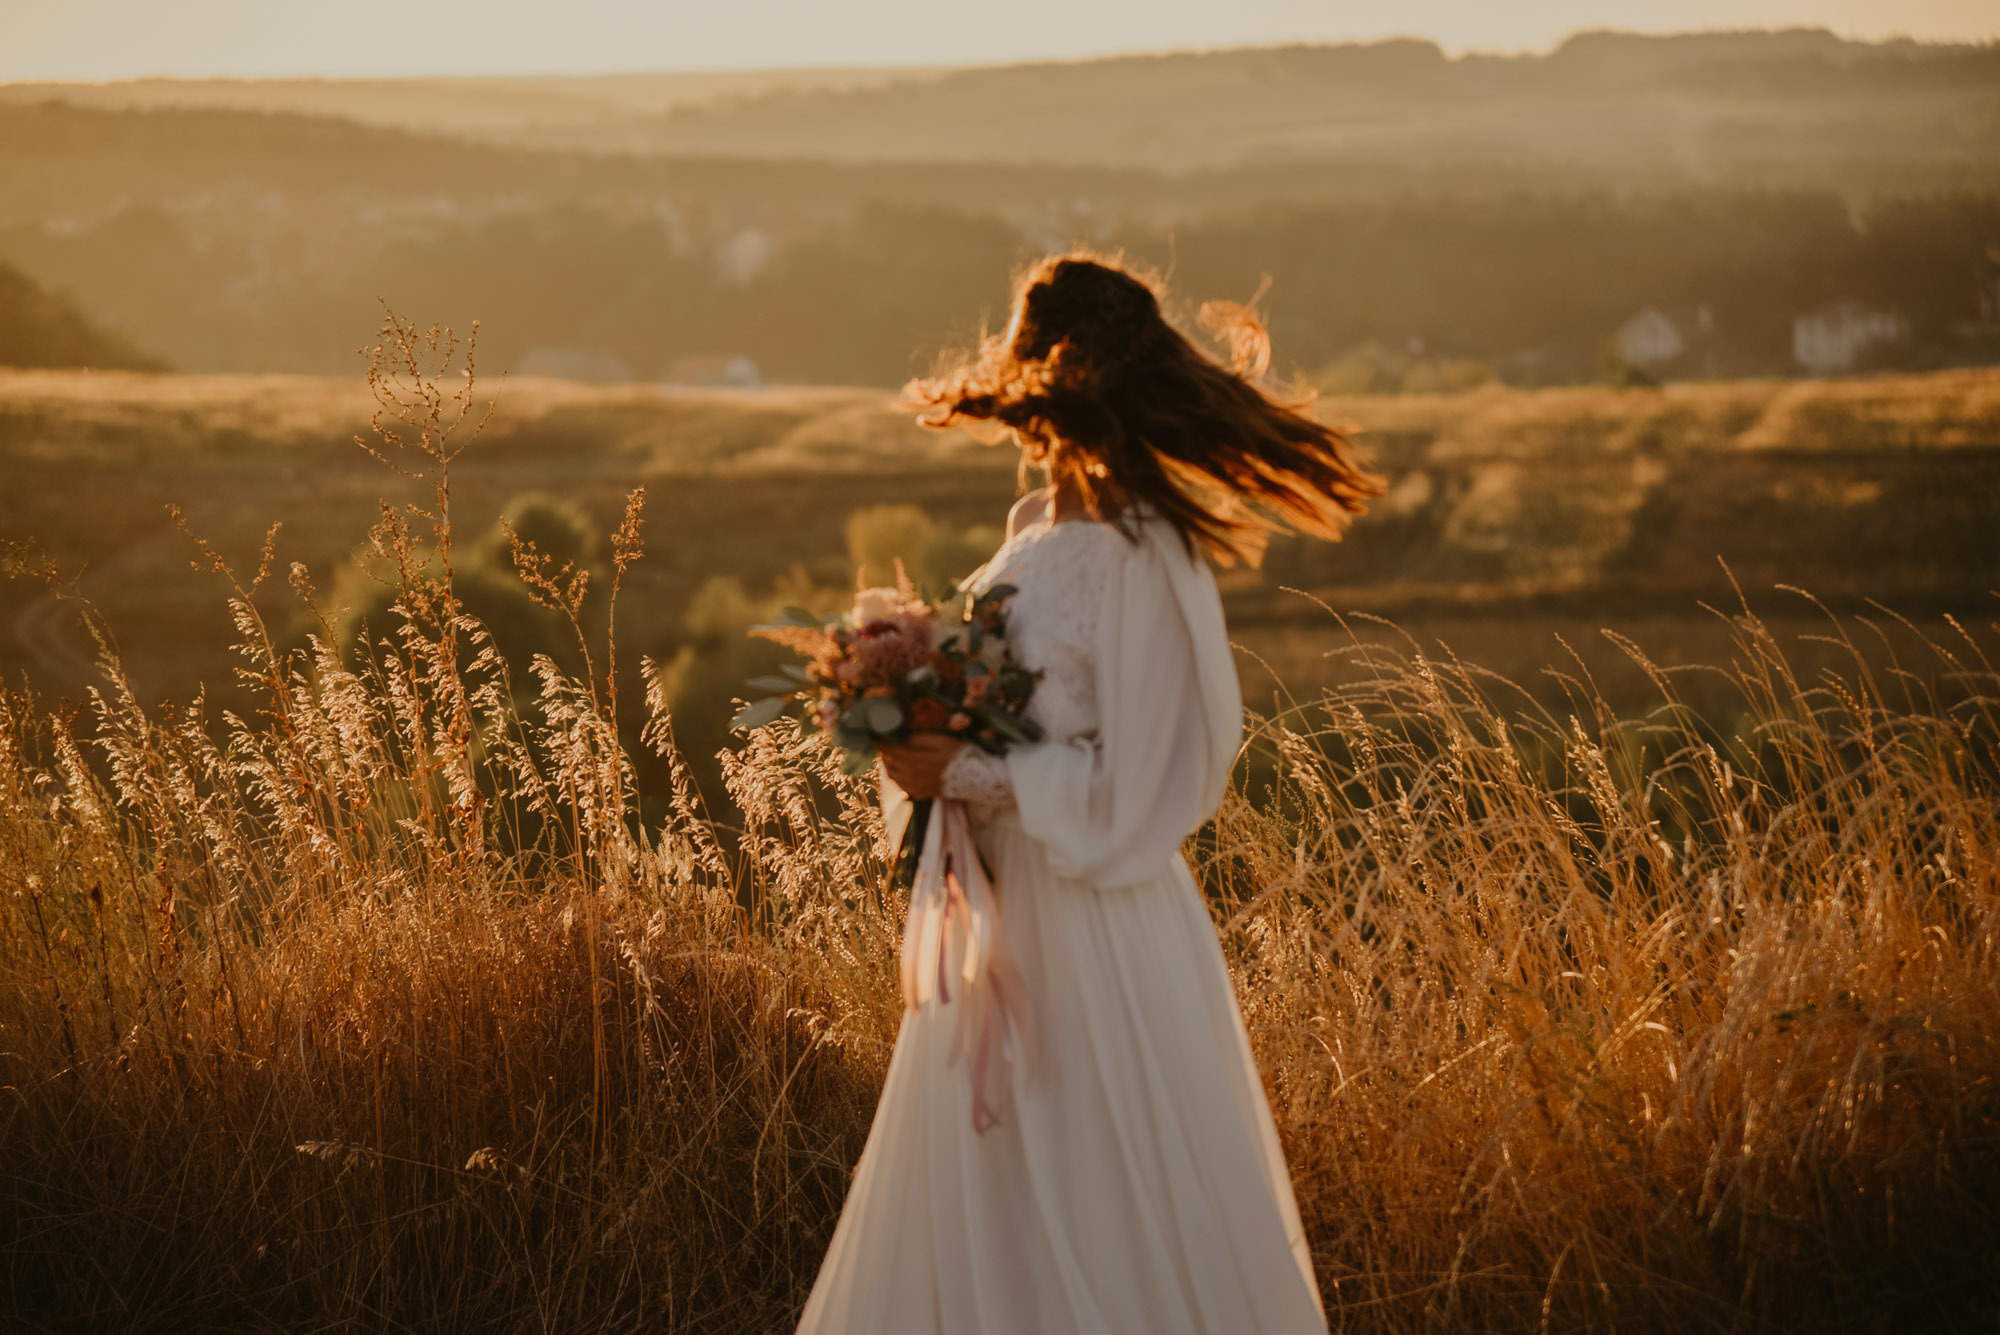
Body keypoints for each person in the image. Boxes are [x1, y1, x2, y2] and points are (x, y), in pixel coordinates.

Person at [795, 253, 1382, 1335]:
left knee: (1100, 1184)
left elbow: (1152, 780)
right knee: (997, 1195)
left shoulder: (1144, 553)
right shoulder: (1030, 533)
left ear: (1051, 385)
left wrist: (964, 770)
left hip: (1095, 920)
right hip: (997, 913)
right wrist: (909, 729)